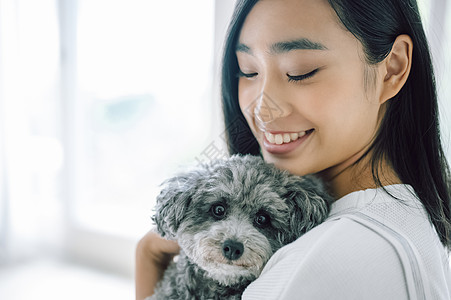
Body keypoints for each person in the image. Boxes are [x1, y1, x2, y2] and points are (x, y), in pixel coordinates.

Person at [136, 0, 451, 299]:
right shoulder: (411, 215)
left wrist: (147, 258)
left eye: (300, 71)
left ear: (392, 68)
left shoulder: (324, 262)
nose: (262, 110)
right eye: (248, 70)